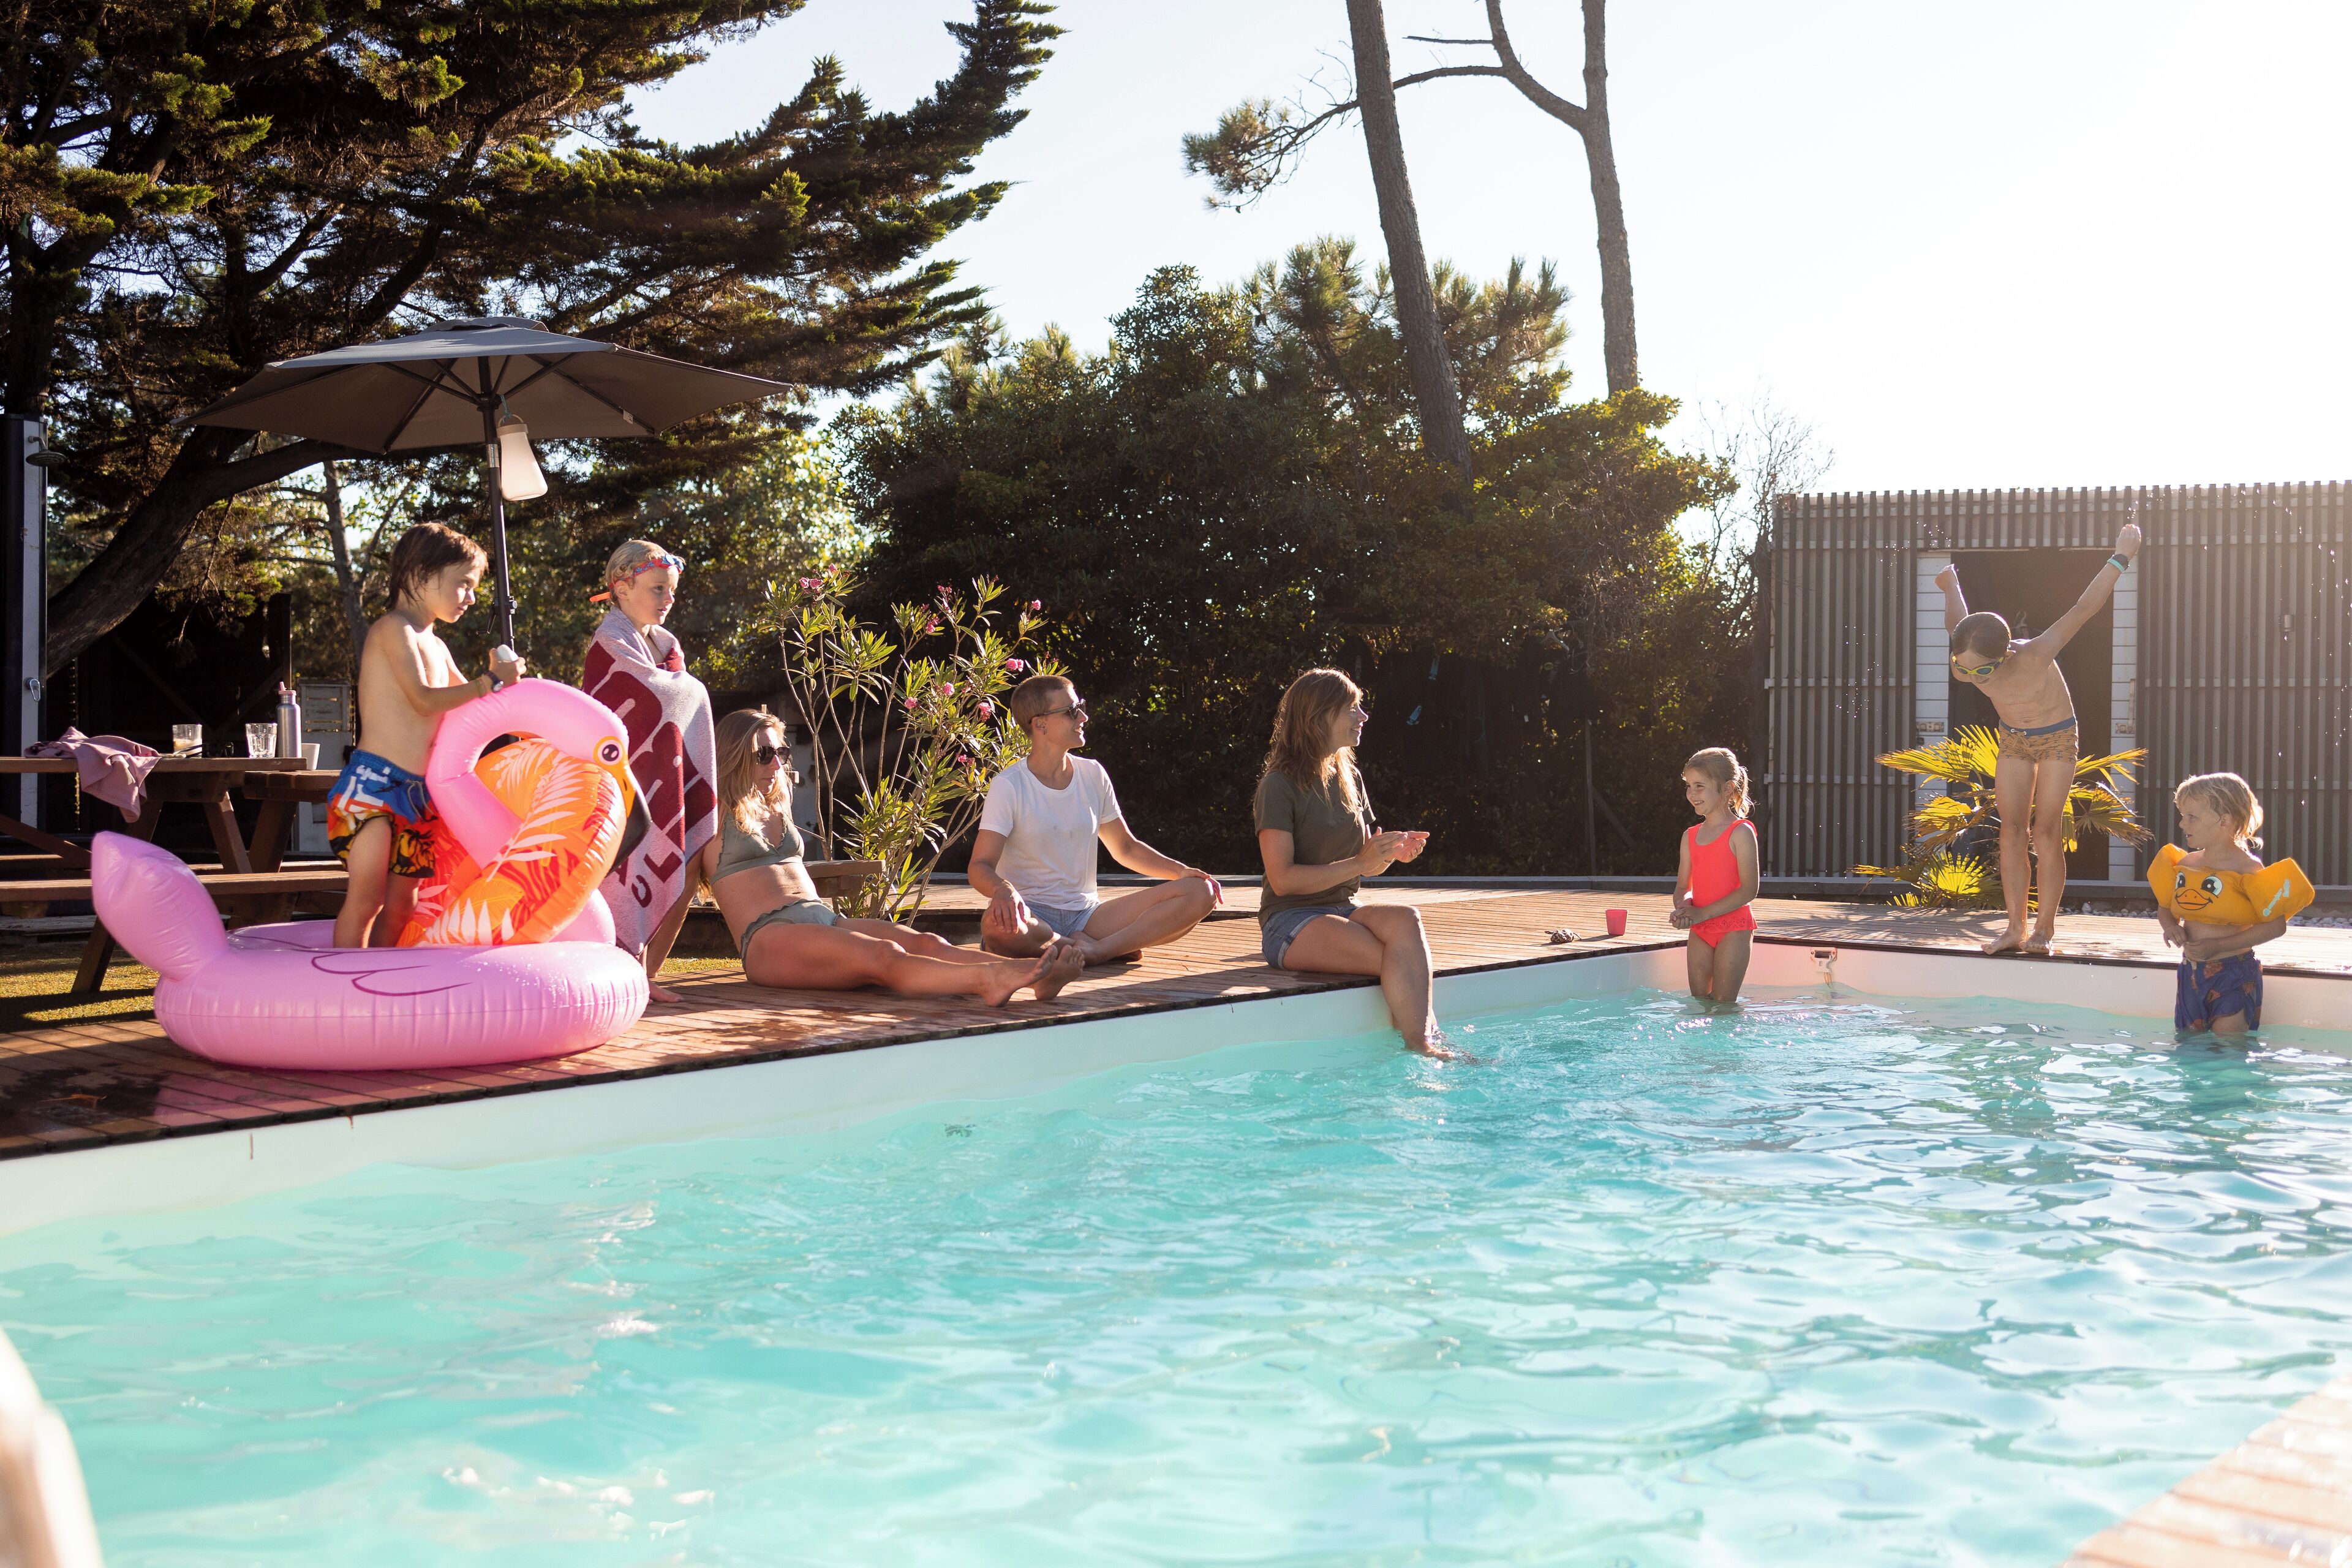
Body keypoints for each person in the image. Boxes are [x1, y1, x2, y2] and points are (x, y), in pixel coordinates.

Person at [696, 707, 1080, 1005]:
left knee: (929, 943)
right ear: (733, 756)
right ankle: (991, 982)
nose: (776, 764)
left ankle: (1033, 974)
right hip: (769, 940)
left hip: (824, 921)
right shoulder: (709, 816)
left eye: (779, 751)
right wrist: (647, 972)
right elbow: (676, 894)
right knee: (883, 956)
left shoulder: (777, 803)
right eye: (763, 754)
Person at [1937, 522, 2141, 954]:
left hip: (2056, 738)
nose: (1972, 677)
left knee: (2044, 833)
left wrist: (2121, 555)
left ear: (2005, 653)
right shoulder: (1966, 655)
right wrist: (1950, 584)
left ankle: (2044, 930)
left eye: (1982, 671)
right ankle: (2014, 928)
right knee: (2011, 832)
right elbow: (1958, 620)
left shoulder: (2036, 653)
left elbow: (2085, 607)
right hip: (2013, 738)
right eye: (1964, 670)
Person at [329, 523, 523, 948]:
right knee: (367, 899)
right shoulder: (392, 630)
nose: (472, 597)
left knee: (401, 907)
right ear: (420, 574)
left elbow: (474, 706)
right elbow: (423, 699)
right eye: (464, 584)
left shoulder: (436, 644)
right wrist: (488, 680)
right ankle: (343, 993)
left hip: (418, 795)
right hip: (373, 788)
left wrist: (516, 701)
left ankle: (374, 984)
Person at [1252, 669, 1455, 1058]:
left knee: (1406, 920)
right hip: (1289, 920)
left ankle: (1426, 1041)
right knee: (1395, 961)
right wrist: (1360, 862)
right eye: (1352, 709)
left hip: (1342, 909)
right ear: (1319, 717)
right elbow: (1283, 880)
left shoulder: (1351, 777)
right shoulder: (1278, 786)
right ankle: (1422, 1044)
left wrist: (1391, 852)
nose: (1363, 717)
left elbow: (1366, 865)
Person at [969, 674, 1221, 966]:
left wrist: (1182, 872)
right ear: (1040, 724)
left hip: (1088, 917)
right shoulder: (1010, 785)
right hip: (1031, 915)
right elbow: (980, 865)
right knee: (995, 927)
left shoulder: (1093, 774)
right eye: (1071, 710)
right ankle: (1099, 948)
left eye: (1080, 707)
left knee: (1200, 892)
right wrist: (1004, 891)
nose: (1084, 717)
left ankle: (1096, 951)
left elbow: (1125, 848)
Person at [581, 539, 718, 1004]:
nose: (667, 599)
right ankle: (626, 968)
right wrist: (692, 689)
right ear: (621, 588)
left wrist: (688, 689)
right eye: (657, 588)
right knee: (629, 865)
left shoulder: (666, 644)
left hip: (664, 779)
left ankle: (646, 971)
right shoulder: (610, 640)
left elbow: (677, 703)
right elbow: (662, 698)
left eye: (672, 591)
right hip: (620, 784)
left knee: (688, 854)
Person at [2150, 772, 2314, 1036]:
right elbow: (2165, 906)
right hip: (2191, 972)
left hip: (2234, 972)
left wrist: (2217, 946)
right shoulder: (2185, 866)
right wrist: (2170, 927)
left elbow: (2275, 927)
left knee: (2229, 1045)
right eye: (2183, 815)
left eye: (2192, 817)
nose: (2182, 824)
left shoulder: (2249, 870)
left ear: (2224, 821)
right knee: (2190, 1046)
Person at [1672, 747, 1759, 1004]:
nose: (1692, 794)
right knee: (1700, 1003)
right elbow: (1682, 886)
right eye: (1688, 786)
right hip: (1700, 929)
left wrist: (1702, 913)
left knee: (1723, 1006)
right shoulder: (1690, 836)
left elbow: (1749, 890)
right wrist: (1684, 907)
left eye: (1700, 786)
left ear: (1728, 788)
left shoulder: (1740, 832)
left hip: (1734, 928)